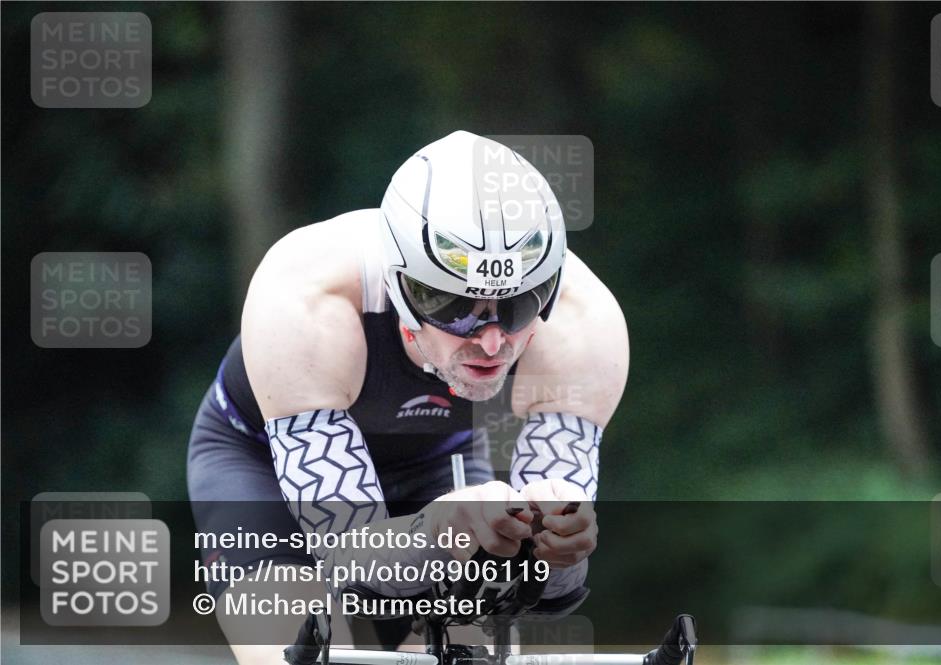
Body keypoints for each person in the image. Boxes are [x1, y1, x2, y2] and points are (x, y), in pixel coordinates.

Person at [186, 131, 628, 663]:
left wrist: (560, 547)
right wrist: (441, 529)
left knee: (471, 652)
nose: (491, 341)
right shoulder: (305, 293)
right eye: (454, 306)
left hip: (440, 460)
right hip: (259, 464)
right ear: (400, 287)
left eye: (517, 306)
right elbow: (350, 557)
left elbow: (548, 592)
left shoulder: (583, 323)